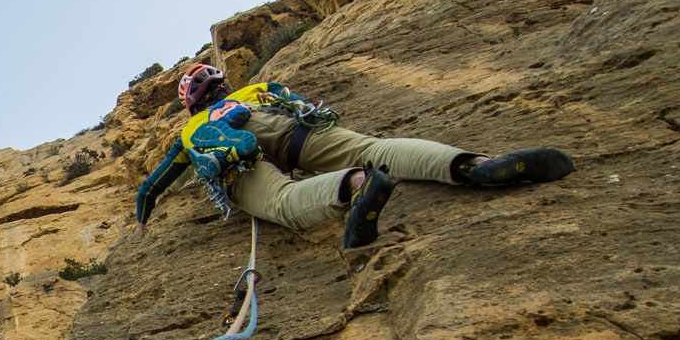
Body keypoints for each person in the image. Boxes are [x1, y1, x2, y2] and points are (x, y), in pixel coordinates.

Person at [134, 63, 575, 248]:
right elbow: (293, 98)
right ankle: (472, 166)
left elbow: (152, 185)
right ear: (220, 86)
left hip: (236, 157)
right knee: (374, 149)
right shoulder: (252, 90)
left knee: (286, 202)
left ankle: (359, 187)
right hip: (287, 126)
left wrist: (141, 219)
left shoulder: (189, 129)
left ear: (191, 100)